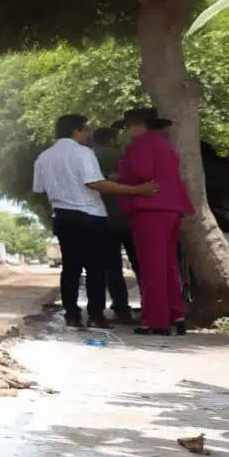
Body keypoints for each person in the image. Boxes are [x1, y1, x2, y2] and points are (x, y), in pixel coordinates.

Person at [34, 115, 159, 329]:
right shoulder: (83, 153)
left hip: (63, 217)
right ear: (76, 131)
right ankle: (95, 316)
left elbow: (39, 190)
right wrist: (136, 190)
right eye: (86, 130)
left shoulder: (43, 158)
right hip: (90, 216)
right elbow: (95, 183)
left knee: (71, 268)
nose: (89, 134)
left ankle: (72, 315)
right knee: (95, 268)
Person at [115, 107, 195, 336]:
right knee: (168, 264)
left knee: (151, 266)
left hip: (150, 208)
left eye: (127, 126)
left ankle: (155, 320)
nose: (126, 131)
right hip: (171, 208)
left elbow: (141, 172)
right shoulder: (163, 145)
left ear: (139, 125)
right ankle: (175, 314)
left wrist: (120, 173)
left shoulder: (141, 144)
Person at [92, 126, 139, 323]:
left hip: (104, 219)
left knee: (112, 267)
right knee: (140, 264)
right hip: (131, 217)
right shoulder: (127, 153)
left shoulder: (90, 157)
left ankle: (121, 309)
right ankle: (154, 306)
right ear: (112, 140)